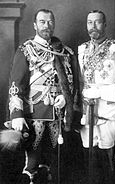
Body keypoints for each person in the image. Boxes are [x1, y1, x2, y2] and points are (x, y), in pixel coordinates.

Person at [4, 8, 82, 184]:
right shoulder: (26, 50)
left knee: (54, 164)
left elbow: (71, 81)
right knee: (32, 163)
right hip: (34, 116)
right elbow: (16, 85)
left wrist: (65, 97)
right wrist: (16, 114)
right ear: (34, 25)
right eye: (42, 21)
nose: (47, 25)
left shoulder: (64, 52)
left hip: (58, 117)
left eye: (50, 21)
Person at [78, 10, 115, 184]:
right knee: (90, 163)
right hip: (86, 115)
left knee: (107, 163)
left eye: (97, 22)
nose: (93, 26)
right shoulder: (82, 50)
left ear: (105, 24)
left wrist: (101, 92)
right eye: (90, 22)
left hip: (108, 115)